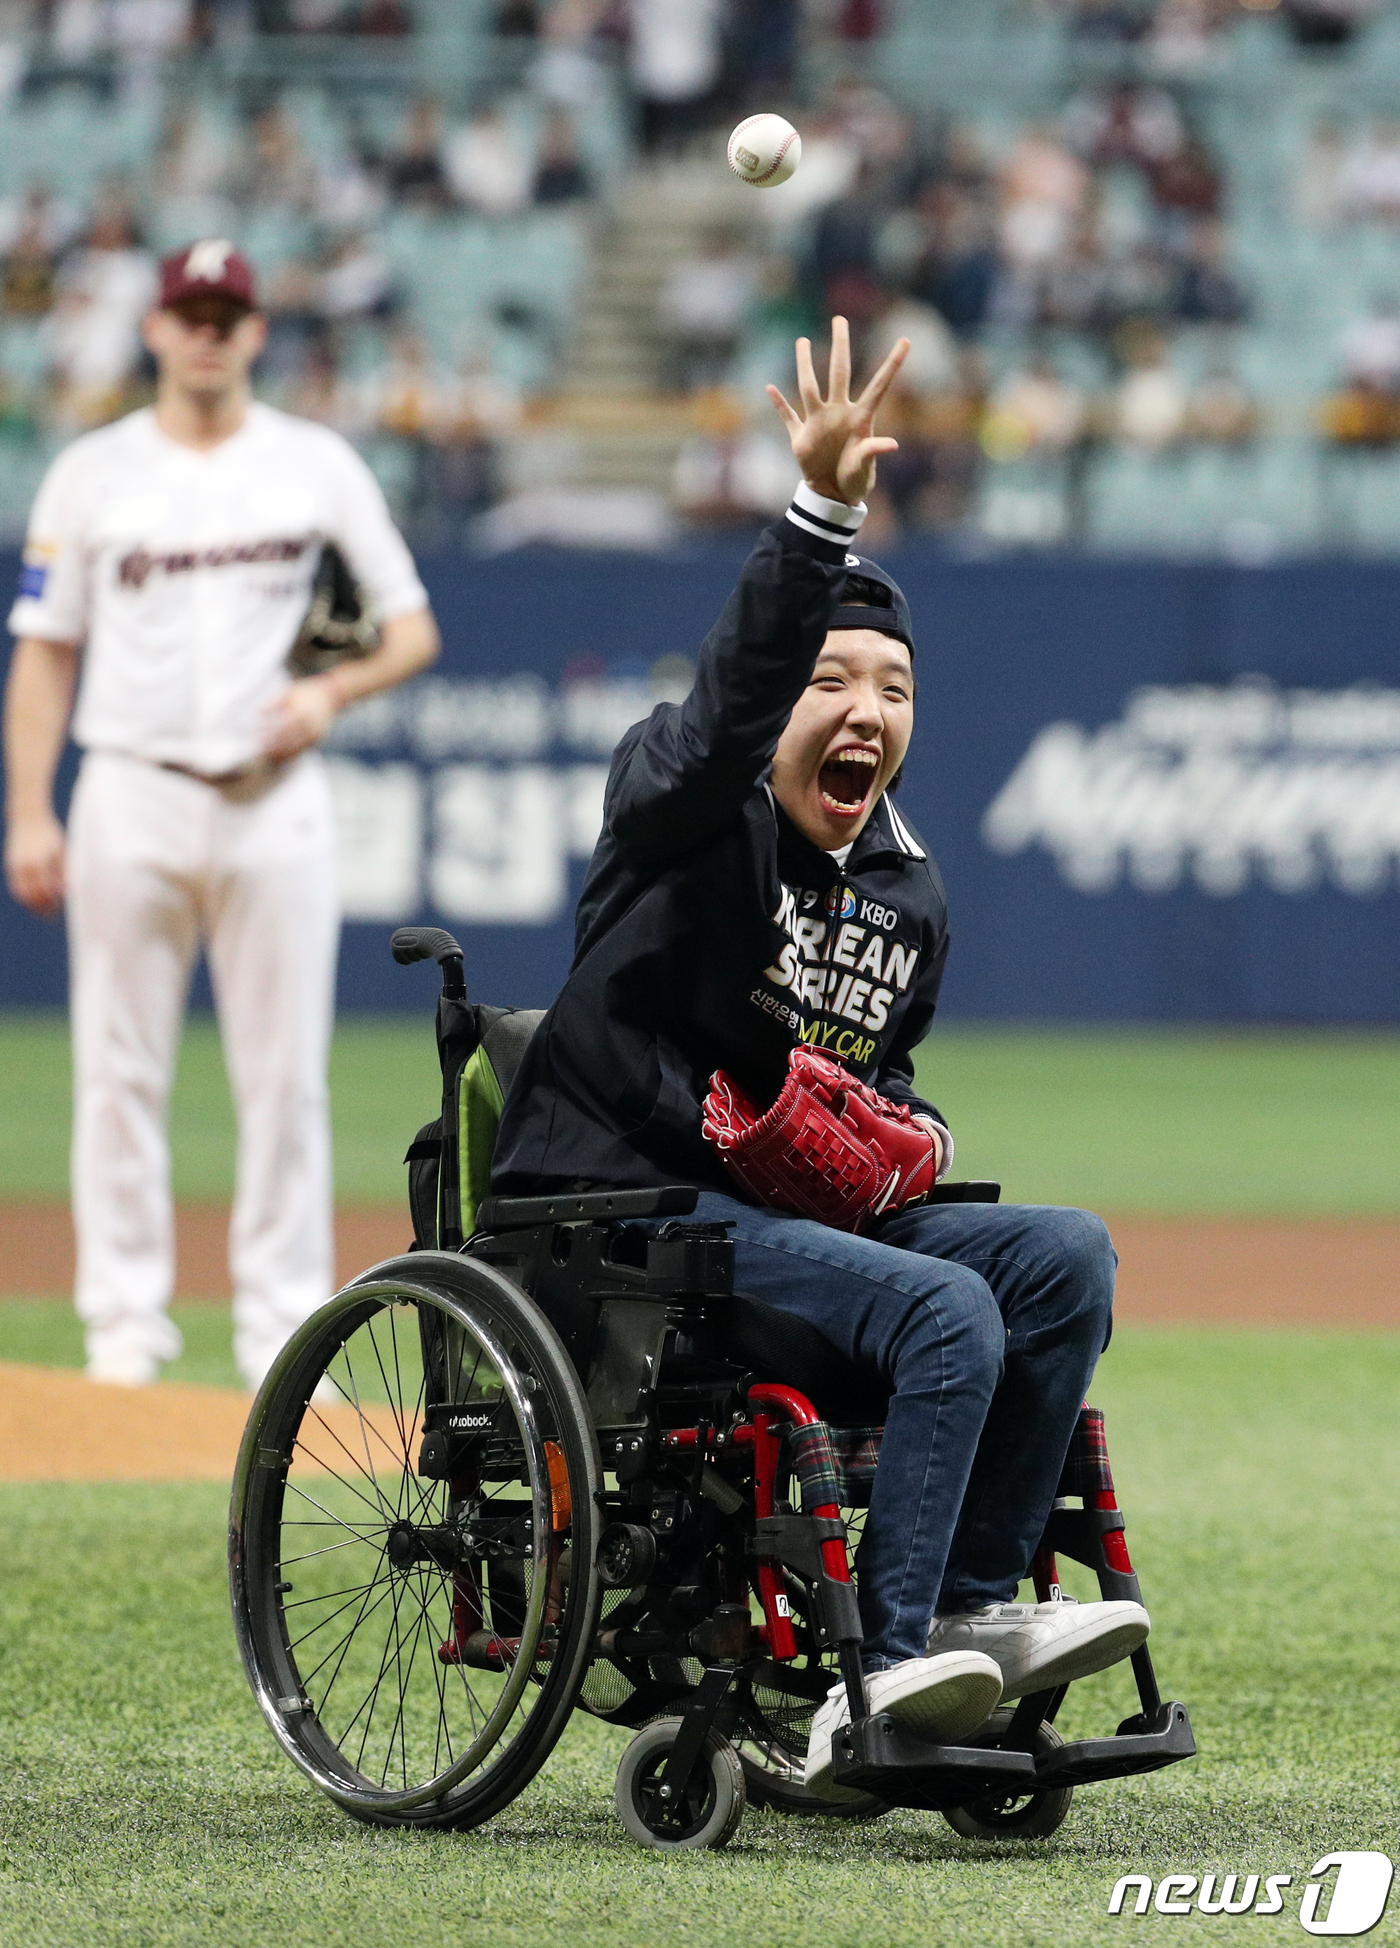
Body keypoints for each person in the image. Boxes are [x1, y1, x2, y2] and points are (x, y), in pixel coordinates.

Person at [492, 315, 1149, 1797]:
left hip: (783, 1226)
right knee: (944, 1312)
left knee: (1061, 1259)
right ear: (773, 699)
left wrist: (904, 1129)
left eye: (894, 690)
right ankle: (878, 1680)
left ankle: (969, 1609)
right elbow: (725, 717)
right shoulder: (681, 798)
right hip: (628, 1208)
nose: (866, 712)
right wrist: (819, 518)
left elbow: (875, 1077)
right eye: (831, 681)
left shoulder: (907, 893)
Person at [2, 239, 440, 1390]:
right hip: (130, 785)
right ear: (155, 328)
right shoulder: (91, 472)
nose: (206, 332)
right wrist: (29, 810)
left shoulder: (314, 463)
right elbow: (45, 652)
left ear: (254, 332)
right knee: (116, 1071)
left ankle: (278, 1332)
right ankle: (123, 1331)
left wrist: (329, 693)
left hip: (271, 802)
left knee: (285, 1078)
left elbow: (410, 628)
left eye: (225, 314)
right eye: (188, 313)